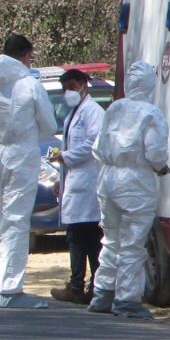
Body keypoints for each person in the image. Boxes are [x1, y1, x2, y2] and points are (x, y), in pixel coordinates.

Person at [0, 34, 58, 308]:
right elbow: (48, 125)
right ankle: (9, 290)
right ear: (24, 56)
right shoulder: (29, 86)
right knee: (15, 220)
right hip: (20, 152)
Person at [87, 60, 170, 320]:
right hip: (136, 181)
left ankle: (103, 293)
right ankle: (127, 299)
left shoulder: (115, 108)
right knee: (133, 243)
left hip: (108, 177)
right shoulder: (150, 112)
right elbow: (155, 151)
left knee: (111, 239)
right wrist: (160, 167)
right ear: (149, 84)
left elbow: (98, 146)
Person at [49, 69, 104, 304]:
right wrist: (60, 180)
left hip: (88, 182)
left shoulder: (94, 112)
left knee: (88, 238)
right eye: (65, 89)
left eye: (72, 87)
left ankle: (87, 286)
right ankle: (80, 285)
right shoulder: (73, 113)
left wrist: (65, 156)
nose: (68, 93)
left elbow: (93, 144)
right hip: (75, 181)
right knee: (78, 236)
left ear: (84, 85)